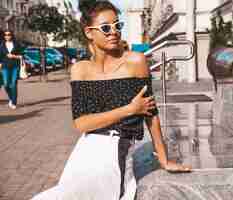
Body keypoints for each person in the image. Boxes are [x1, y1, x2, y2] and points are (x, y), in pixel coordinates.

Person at [30, 1, 191, 200]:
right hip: (85, 149)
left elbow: (151, 114)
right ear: (89, 32)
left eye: (117, 25)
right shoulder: (81, 69)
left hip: (117, 149)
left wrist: (164, 160)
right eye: (106, 28)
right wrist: (130, 109)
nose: (113, 32)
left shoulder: (136, 61)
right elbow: (82, 123)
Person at [0, 30, 23, 109]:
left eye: (9, 34)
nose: (7, 36)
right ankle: (11, 98)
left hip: (15, 66)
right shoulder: (2, 45)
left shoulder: (17, 44)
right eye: (5, 35)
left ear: (11, 35)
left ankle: (14, 102)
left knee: (13, 84)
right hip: (5, 67)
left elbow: (22, 55)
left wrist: (14, 56)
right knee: (6, 84)